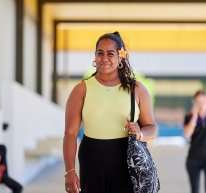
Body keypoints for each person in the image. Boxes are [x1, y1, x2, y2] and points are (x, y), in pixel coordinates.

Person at [63, 31, 157, 193]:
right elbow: (70, 133)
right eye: (100, 53)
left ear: (121, 57)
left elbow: (152, 128)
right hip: (91, 159)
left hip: (126, 159)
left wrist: (140, 133)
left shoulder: (137, 89)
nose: (104, 58)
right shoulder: (81, 89)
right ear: (95, 56)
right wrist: (70, 171)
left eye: (110, 53)